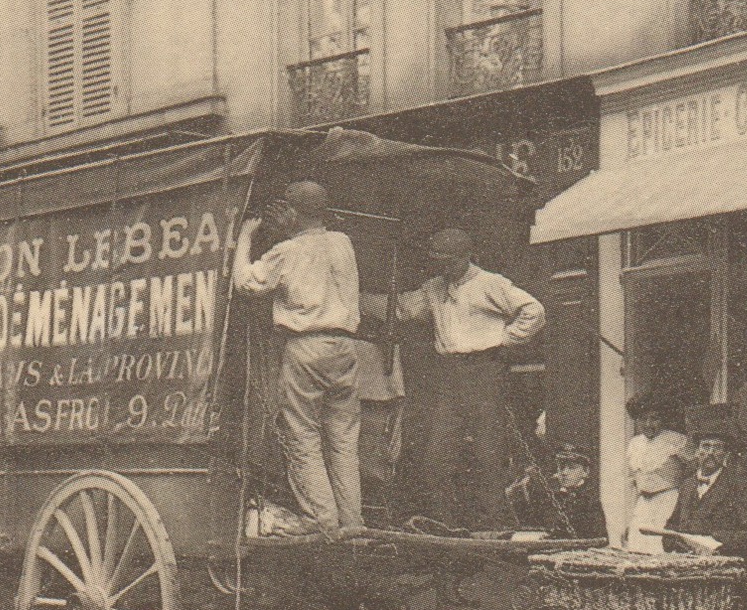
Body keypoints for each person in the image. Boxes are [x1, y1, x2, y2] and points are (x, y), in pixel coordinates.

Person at [365, 228, 545, 529]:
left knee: (488, 451)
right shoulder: (435, 288)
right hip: (450, 374)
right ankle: (446, 524)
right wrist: (349, 297)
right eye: (438, 261)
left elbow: (533, 310)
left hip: (485, 370)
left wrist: (505, 340)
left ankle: (492, 525)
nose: (443, 267)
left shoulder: (491, 283)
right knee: (438, 454)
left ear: (466, 257)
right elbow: (400, 308)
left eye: (449, 261)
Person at [233, 181, 364, 538]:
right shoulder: (343, 242)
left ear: (292, 212)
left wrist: (247, 236)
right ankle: (352, 523)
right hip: (345, 349)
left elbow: (246, 284)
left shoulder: (286, 251)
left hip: (306, 347)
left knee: (303, 434)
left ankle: (322, 520)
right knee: (343, 438)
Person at [663, 404, 747, 561]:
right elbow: (672, 525)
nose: (710, 453)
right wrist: (672, 541)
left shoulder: (739, 484)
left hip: (726, 569)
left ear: (725, 454)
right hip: (690, 567)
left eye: (717, 448)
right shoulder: (687, 485)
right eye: (706, 446)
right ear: (697, 452)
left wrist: (715, 540)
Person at [624, 392, 689, 553]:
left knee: (660, 549)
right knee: (637, 549)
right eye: (643, 419)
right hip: (643, 505)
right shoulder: (634, 443)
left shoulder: (677, 440)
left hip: (668, 503)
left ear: (663, 419)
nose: (648, 424)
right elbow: (633, 482)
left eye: (654, 418)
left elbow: (693, 474)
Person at [506, 443, 606, 540]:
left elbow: (597, 539)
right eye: (561, 468)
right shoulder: (552, 499)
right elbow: (532, 524)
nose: (564, 473)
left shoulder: (590, 503)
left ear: (585, 472)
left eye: (572, 468)